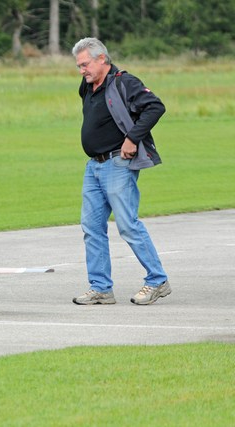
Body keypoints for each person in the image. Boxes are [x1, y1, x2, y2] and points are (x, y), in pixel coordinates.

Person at [71, 37, 171, 305]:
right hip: (93, 166)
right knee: (91, 228)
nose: (81, 70)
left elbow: (155, 107)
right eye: (79, 66)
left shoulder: (125, 82)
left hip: (118, 164)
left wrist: (132, 138)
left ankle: (157, 281)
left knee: (127, 225)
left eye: (85, 64)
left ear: (102, 59)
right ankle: (101, 288)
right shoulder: (87, 86)